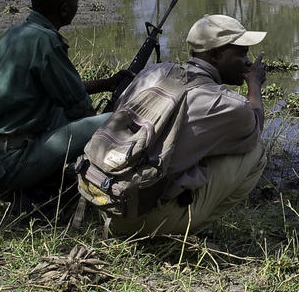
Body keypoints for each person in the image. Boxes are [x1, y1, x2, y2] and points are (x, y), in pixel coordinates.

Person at [0, 0, 129, 206]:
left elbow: (62, 89)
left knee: (59, 111)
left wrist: (106, 84)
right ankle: (103, 184)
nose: (77, 7)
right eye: (76, 2)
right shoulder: (46, 41)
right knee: (116, 121)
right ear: (65, 9)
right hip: (10, 164)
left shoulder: (14, 34)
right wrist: (101, 128)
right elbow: (79, 107)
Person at [105, 14, 269, 238]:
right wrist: (255, 85)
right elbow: (256, 125)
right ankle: (184, 227)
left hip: (105, 203)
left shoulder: (154, 71)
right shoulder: (229, 104)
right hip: (142, 221)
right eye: (241, 53)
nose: (248, 62)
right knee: (257, 152)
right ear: (215, 54)